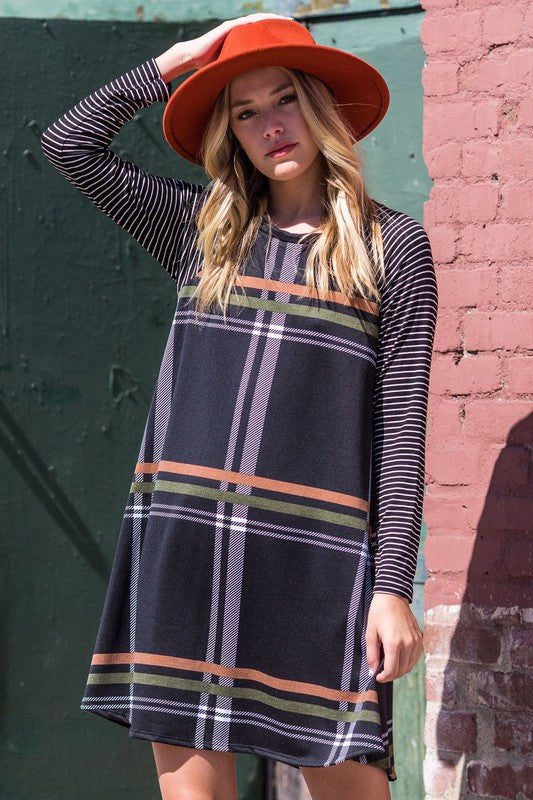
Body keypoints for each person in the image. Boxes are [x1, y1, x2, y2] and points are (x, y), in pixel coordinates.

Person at [41, 13, 438, 800]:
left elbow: (399, 434)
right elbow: (69, 144)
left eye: (284, 98)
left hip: (317, 563)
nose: (270, 125)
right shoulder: (204, 233)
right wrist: (177, 62)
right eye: (245, 111)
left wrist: (391, 587)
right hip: (188, 549)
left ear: (320, 106)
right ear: (230, 134)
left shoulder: (393, 249)